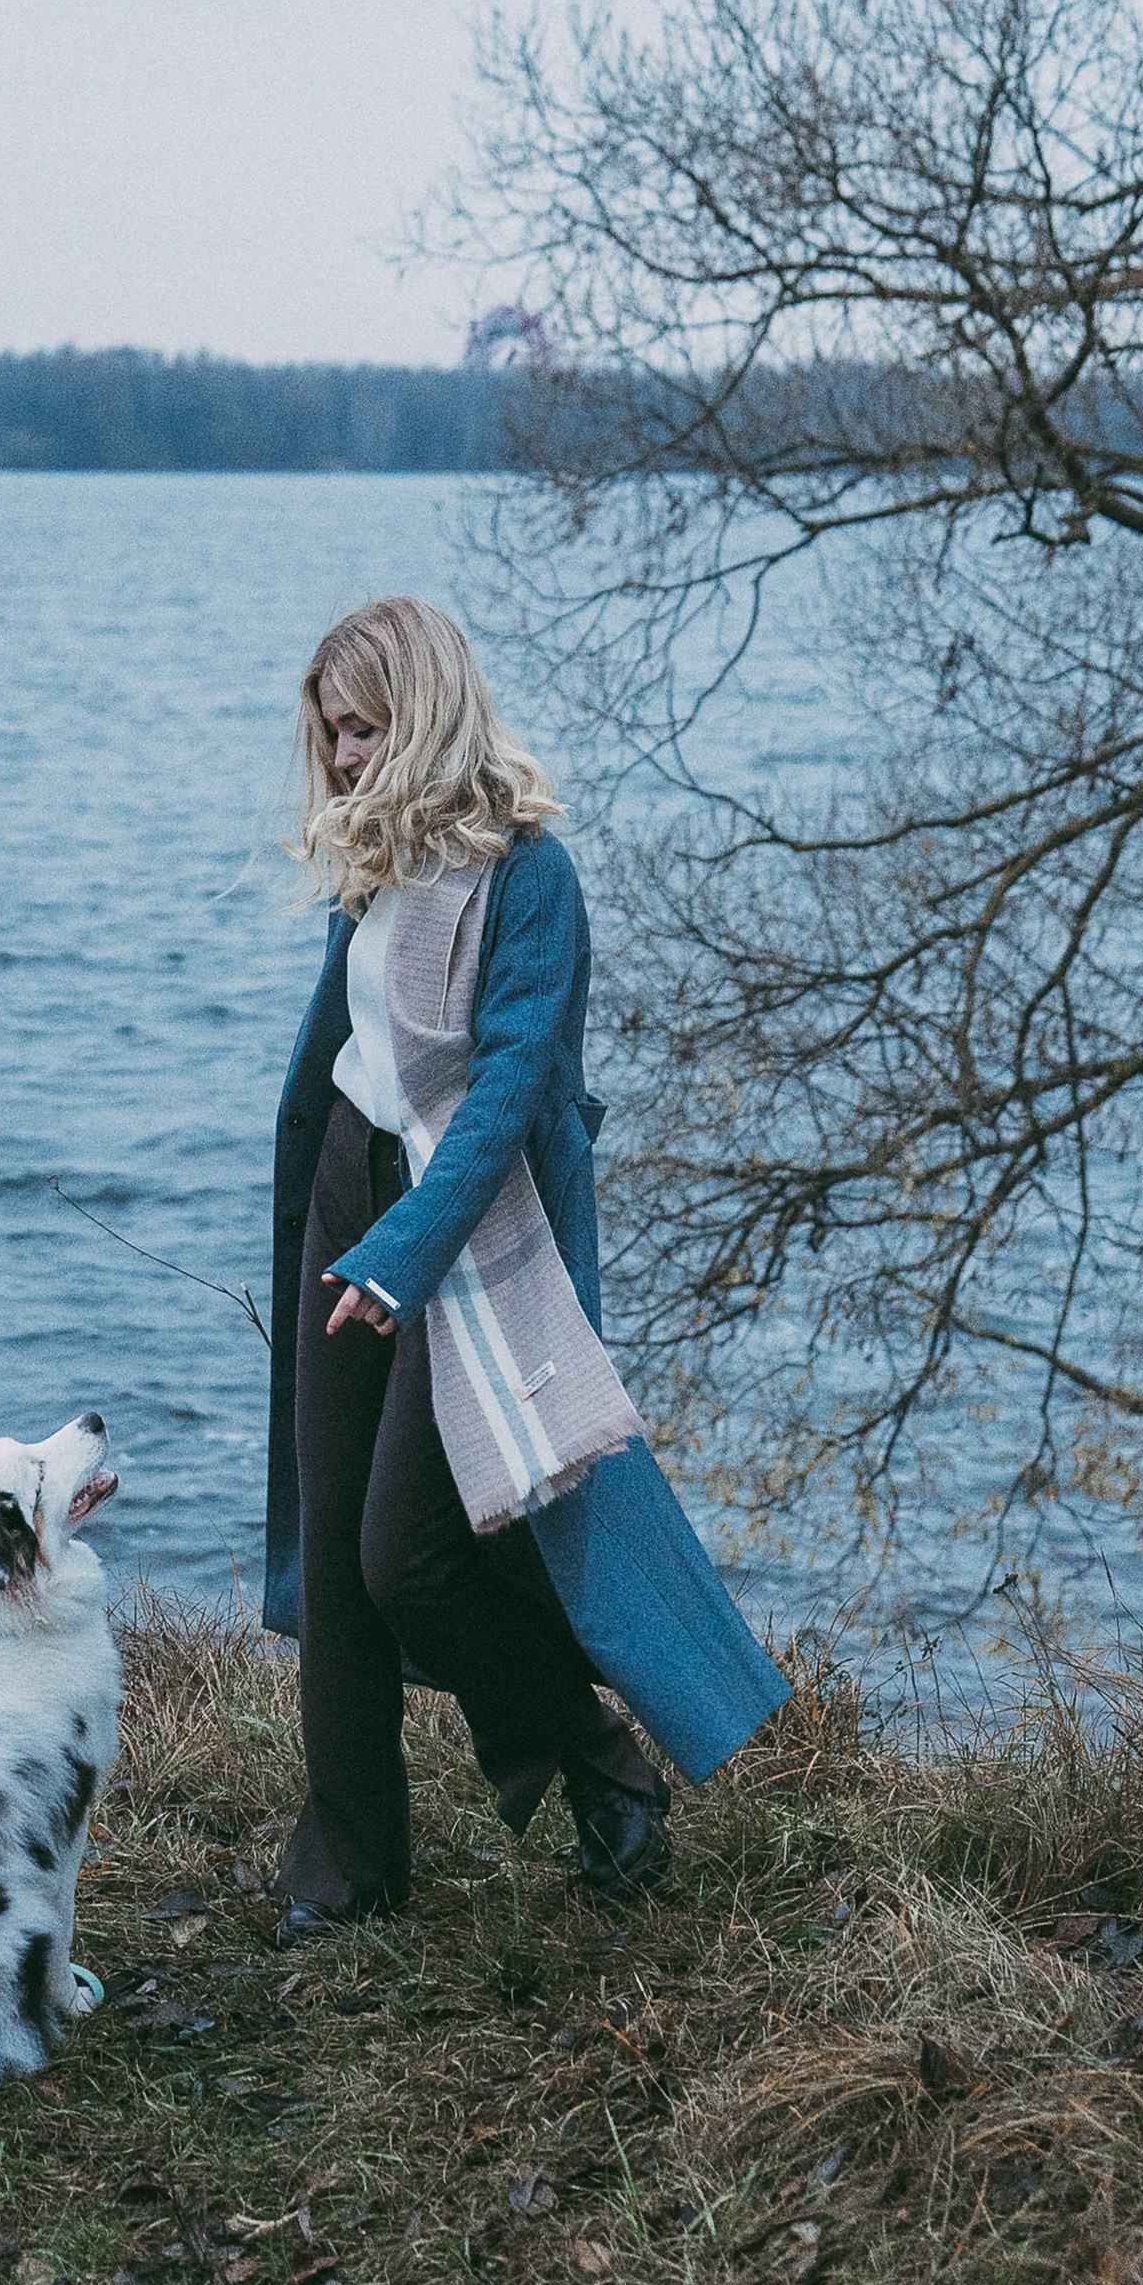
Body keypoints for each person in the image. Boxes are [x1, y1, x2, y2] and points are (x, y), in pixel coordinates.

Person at [261, 595, 787, 1944]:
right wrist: (350, 1220)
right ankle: (351, 1866)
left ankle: (598, 1751)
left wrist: (404, 1251)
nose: (343, 761)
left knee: (410, 1555)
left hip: (475, 1232)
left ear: (426, 715)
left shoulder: (529, 875)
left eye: (366, 731)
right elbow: (357, 1048)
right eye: (331, 737)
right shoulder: (378, 855)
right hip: (351, 1200)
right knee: (334, 1557)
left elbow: (506, 1099)